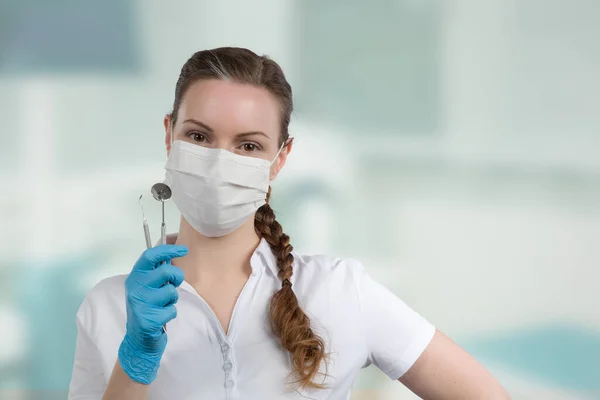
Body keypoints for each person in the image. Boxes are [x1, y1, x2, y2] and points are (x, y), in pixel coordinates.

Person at [68, 47, 510, 400]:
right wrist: (135, 363)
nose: (221, 161)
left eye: (248, 145)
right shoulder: (107, 308)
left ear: (280, 159)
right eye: (199, 137)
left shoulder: (340, 291)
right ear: (169, 135)